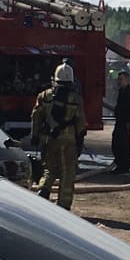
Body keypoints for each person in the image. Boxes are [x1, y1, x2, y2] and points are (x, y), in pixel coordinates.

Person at [30, 61, 86, 208]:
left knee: (49, 169)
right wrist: (79, 142)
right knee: (67, 174)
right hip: (68, 141)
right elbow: (80, 123)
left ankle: (43, 190)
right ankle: (63, 206)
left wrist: (35, 136)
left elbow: (36, 117)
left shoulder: (44, 96)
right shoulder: (76, 99)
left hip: (48, 140)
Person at [110, 67, 130, 175]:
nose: (119, 81)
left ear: (126, 80)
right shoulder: (121, 91)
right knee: (116, 143)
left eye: (121, 79)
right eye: (118, 79)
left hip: (125, 122)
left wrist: (128, 121)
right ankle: (119, 163)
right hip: (120, 121)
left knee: (124, 145)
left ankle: (124, 167)